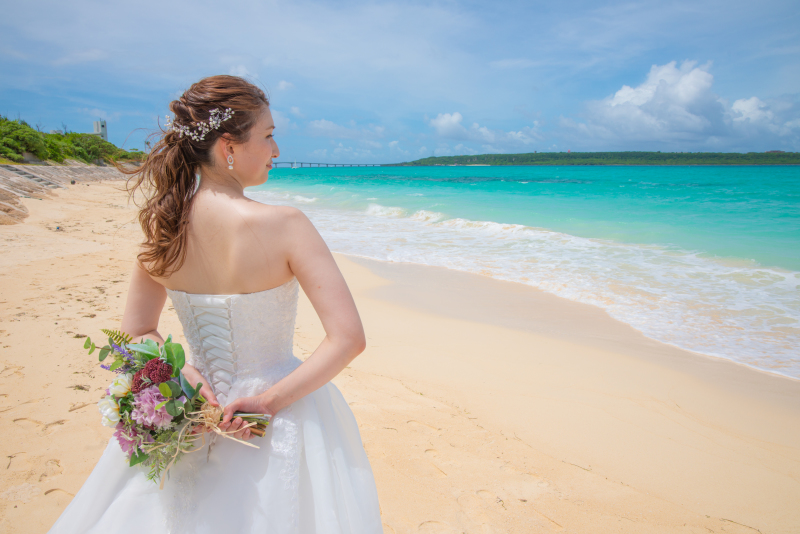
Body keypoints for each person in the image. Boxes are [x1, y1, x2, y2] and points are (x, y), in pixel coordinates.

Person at [48, 75, 384, 533]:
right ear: (228, 145)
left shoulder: (163, 229)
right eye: (267, 135)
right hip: (274, 416)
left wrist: (184, 376)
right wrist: (267, 402)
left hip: (191, 416)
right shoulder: (287, 225)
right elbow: (348, 339)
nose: (276, 150)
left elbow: (136, 331)